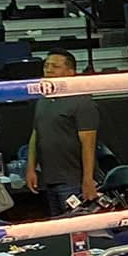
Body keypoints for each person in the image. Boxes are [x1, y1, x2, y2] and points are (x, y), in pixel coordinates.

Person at [25, 49, 99, 216]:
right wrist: (30, 168)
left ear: (70, 72)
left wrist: (87, 180)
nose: (48, 70)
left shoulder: (82, 101)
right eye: (46, 66)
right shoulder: (42, 99)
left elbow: (89, 143)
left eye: (55, 66)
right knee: (59, 230)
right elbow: (36, 133)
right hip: (50, 177)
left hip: (73, 179)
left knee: (80, 228)